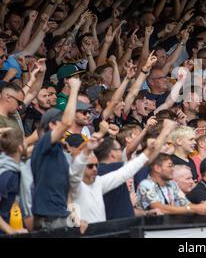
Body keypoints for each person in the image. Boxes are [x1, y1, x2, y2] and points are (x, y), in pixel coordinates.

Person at [70, 119, 177, 223]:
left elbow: (137, 164)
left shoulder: (99, 182)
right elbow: (76, 169)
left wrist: (146, 213)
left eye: (95, 165)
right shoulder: (76, 184)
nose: (94, 169)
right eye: (90, 166)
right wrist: (88, 148)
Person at [31, 77, 81, 230]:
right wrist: (74, 90)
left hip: (60, 213)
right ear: (52, 125)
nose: (64, 126)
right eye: (59, 122)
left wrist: (74, 214)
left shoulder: (59, 150)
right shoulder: (44, 142)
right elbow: (67, 122)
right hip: (48, 216)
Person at [137, 154, 206, 215]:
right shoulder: (146, 184)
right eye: (170, 166)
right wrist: (193, 209)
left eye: (173, 166)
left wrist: (202, 206)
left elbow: (185, 204)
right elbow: (159, 208)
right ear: (157, 168)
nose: (173, 169)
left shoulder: (172, 184)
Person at [0, 128, 28, 234]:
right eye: (25, 141)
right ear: (20, 148)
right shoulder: (6, 174)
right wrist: (11, 231)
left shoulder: (13, 168)